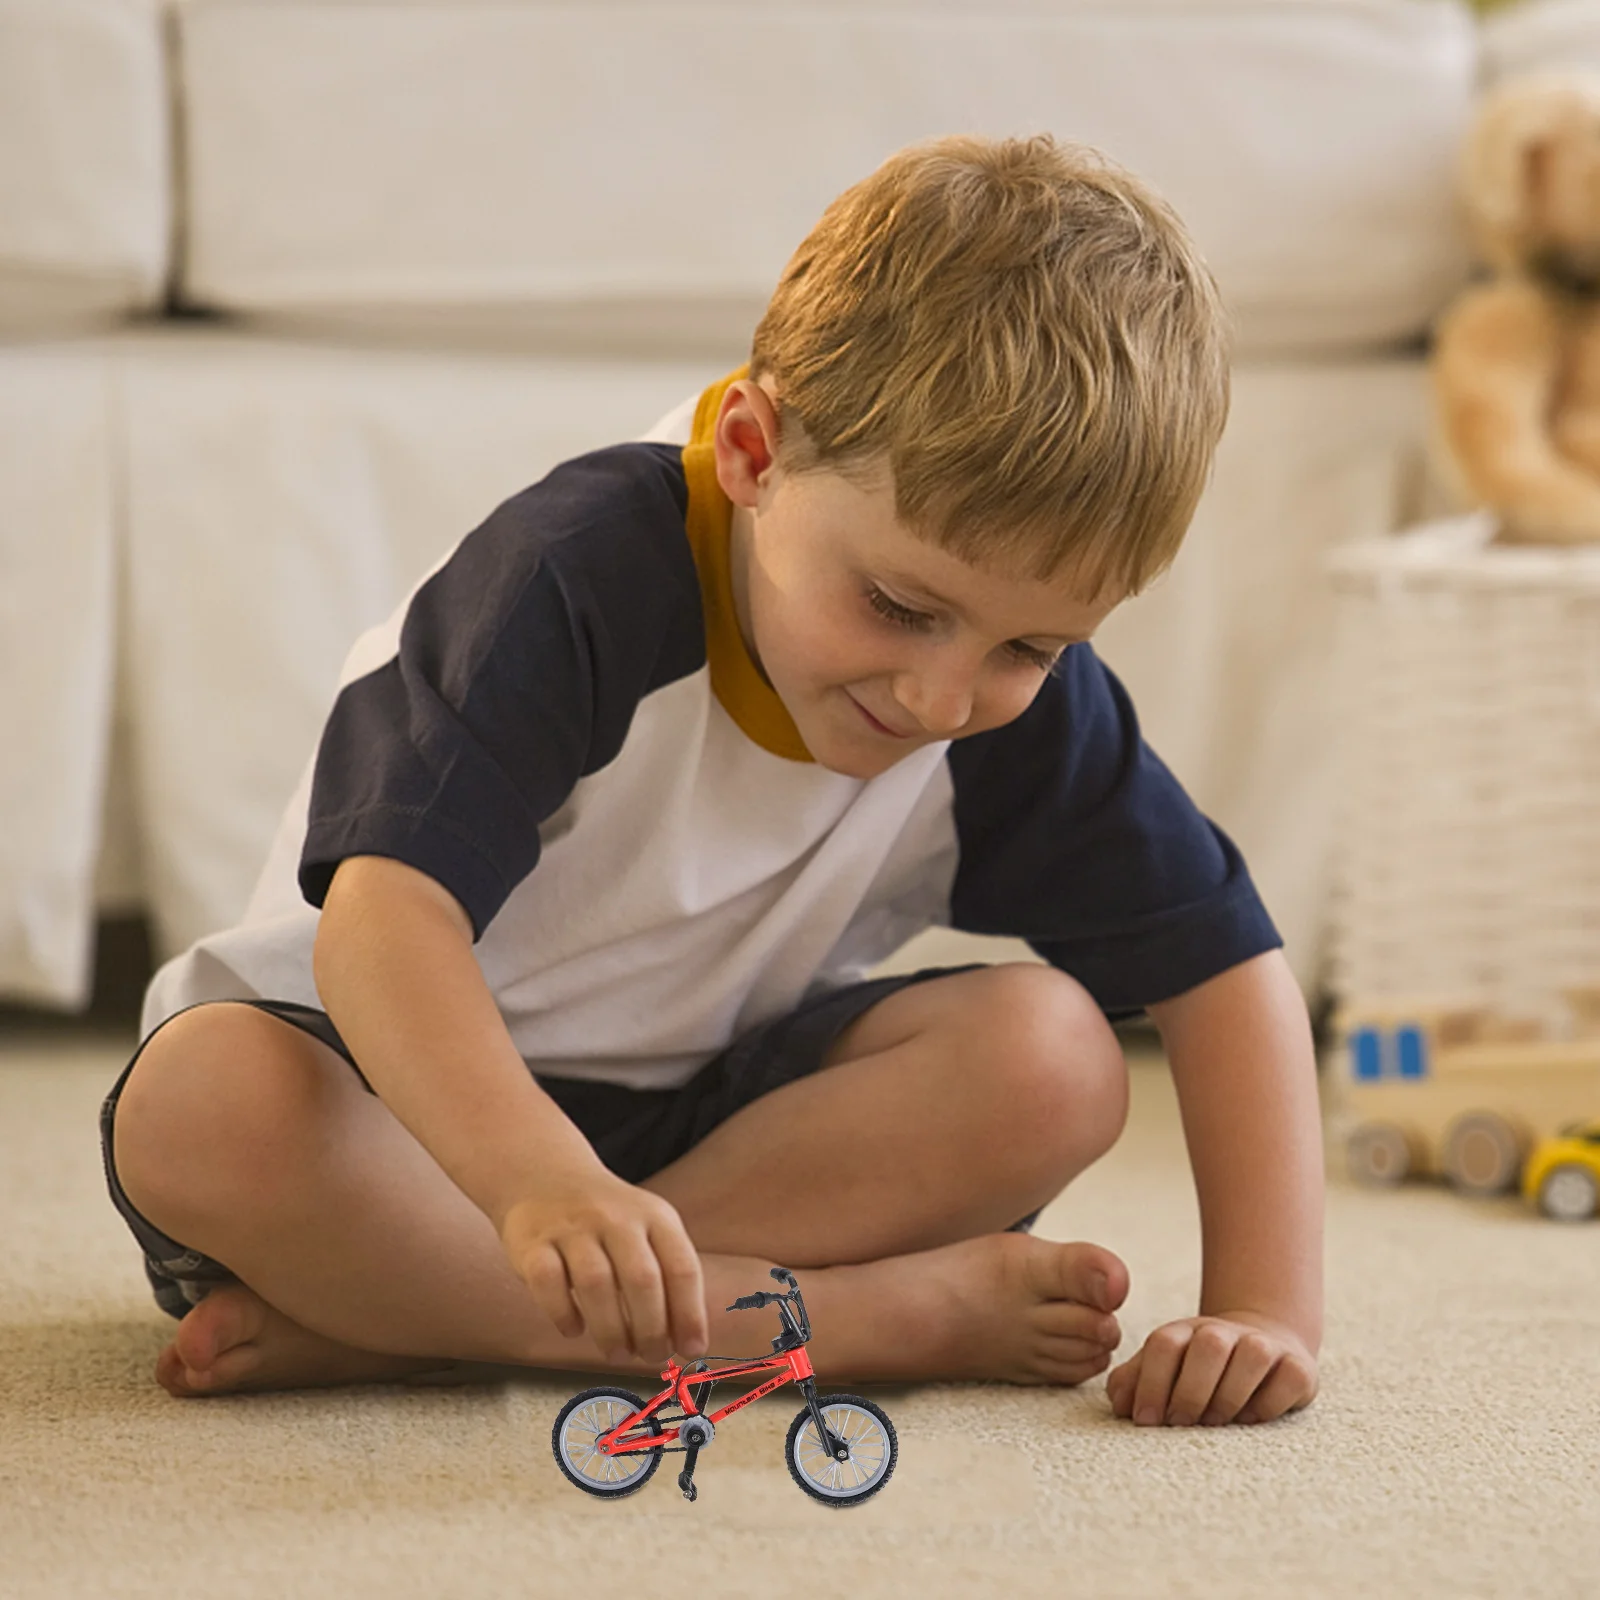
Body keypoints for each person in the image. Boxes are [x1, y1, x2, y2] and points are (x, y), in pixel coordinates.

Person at [100, 134, 1323, 1429]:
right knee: (201, 1105)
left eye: (1027, 647)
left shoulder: (999, 702)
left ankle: (422, 1323)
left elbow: (1226, 971)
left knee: (1060, 1059)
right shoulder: (573, 576)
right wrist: (533, 1188)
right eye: (900, 605)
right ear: (752, 453)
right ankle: (839, 1324)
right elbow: (381, 928)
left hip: (705, 1141)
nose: (942, 701)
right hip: (392, 1111)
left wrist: (1266, 1313)